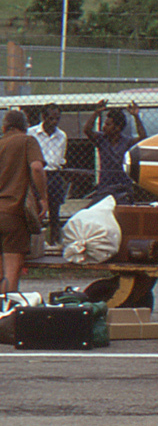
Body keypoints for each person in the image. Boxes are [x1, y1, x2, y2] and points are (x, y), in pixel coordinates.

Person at [0, 109, 47, 294]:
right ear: (25, 126)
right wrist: (43, 198)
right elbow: (36, 168)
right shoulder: (27, 141)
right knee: (12, 272)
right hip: (13, 214)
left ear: (4, 126)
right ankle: (8, 314)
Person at [84, 100, 146, 203]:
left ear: (117, 127)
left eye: (108, 124)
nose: (104, 127)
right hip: (105, 187)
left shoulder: (127, 142)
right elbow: (87, 130)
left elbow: (143, 138)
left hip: (123, 187)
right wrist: (96, 113)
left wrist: (136, 117)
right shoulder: (102, 140)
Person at [27, 103, 67, 246]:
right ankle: (36, 242)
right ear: (43, 117)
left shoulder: (61, 135)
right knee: (37, 210)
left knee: (55, 211)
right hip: (37, 174)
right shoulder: (31, 133)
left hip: (54, 174)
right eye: (51, 118)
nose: (54, 122)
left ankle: (55, 242)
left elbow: (60, 158)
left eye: (57, 119)